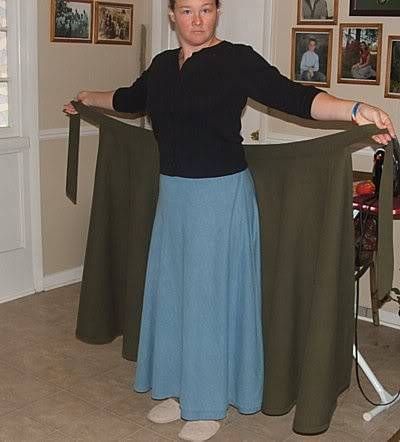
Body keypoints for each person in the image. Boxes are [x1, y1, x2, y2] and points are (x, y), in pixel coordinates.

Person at [64, 1, 395, 440]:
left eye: (206, 9)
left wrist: (355, 110)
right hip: (174, 198)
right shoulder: (163, 66)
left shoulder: (236, 60)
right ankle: (179, 390)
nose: (196, 20)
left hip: (220, 198)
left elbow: (295, 96)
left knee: (207, 302)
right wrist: (88, 100)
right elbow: (129, 99)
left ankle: (208, 402)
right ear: (172, 16)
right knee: (175, 296)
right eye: (186, 10)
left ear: (217, 13)